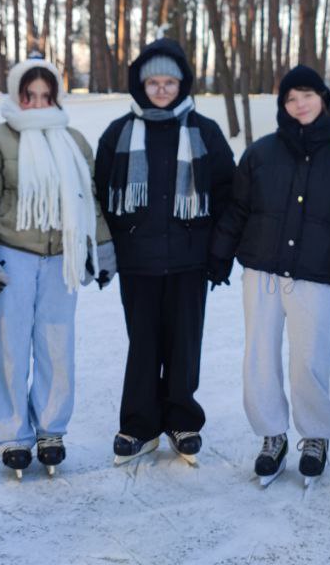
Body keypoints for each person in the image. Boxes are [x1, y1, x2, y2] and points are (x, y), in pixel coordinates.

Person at [210, 65, 330, 487]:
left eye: (307, 95)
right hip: (261, 272)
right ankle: (272, 434)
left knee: (310, 359)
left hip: (313, 275)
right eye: (290, 99)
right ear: (283, 106)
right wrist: (218, 256)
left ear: (323, 99)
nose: (299, 104)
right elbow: (238, 210)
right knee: (259, 357)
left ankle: (315, 435)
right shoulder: (260, 154)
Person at [0, 54, 115, 479]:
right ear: (16, 95)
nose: (36, 103)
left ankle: (51, 429)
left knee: (56, 345)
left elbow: (88, 200)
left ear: (57, 97)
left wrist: (102, 247)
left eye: (45, 96)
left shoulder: (74, 141)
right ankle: (12, 433)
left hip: (61, 259)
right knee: (11, 346)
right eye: (28, 95)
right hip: (13, 255)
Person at [93, 38, 235, 466]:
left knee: (184, 344)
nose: (160, 90)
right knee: (143, 344)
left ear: (181, 84)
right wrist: (109, 248)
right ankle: (139, 426)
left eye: (169, 82)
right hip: (137, 260)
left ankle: (182, 421)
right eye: (153, 82)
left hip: (190, 259)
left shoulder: (204, 131)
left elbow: (228, 195)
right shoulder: (118, 133)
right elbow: (101, 196)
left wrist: (220, 253)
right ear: (141, 85)